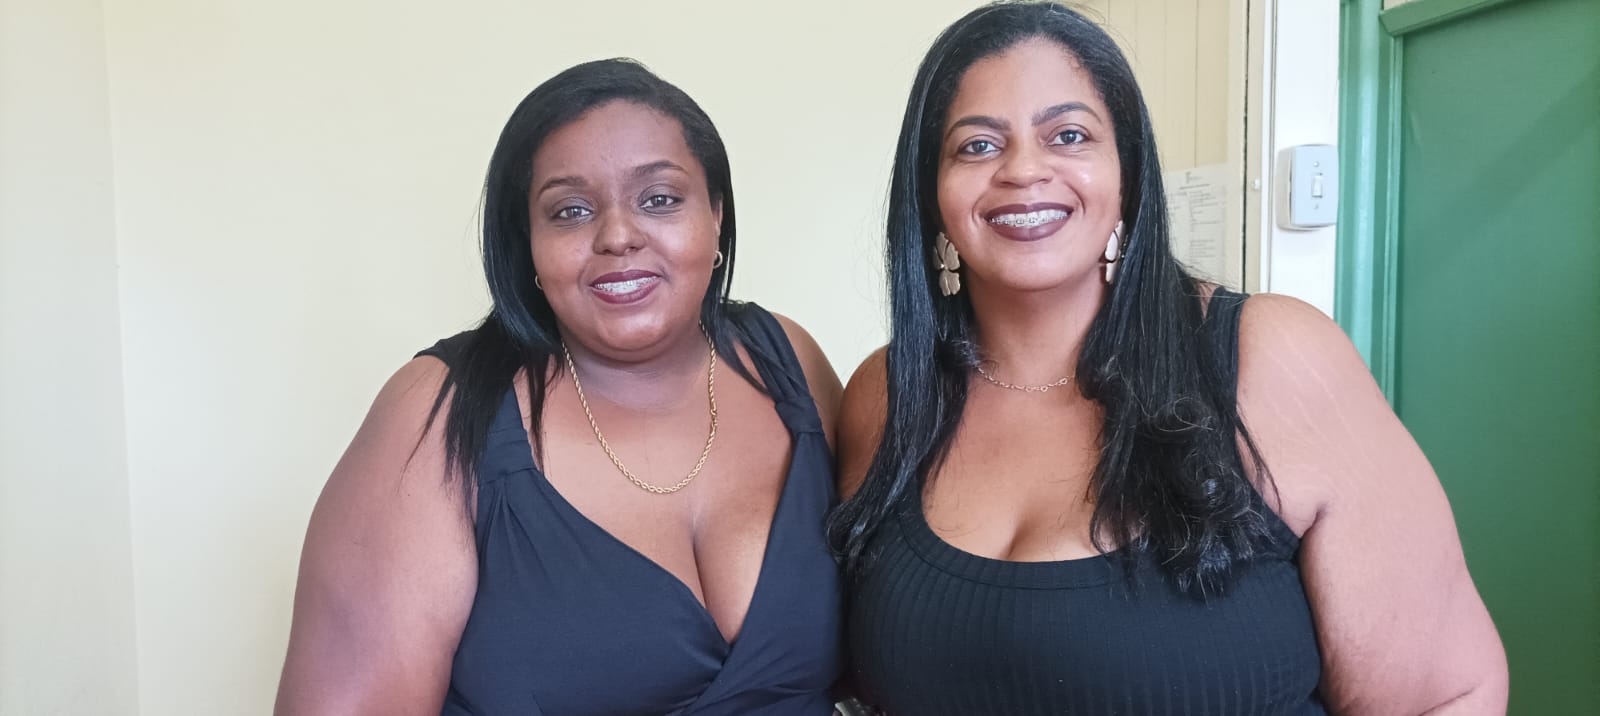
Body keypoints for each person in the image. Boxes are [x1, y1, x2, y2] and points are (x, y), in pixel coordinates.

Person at [829, 3, 1508, 714]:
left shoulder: (1269, 357)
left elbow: (1452, 694)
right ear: (932, 193)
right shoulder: (887, 392)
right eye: (976, 146)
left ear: (1127, 174)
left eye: (1069, 135)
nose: (1024, 169)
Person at [276, 59, 844, 715]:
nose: (618, 237)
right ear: (529, 245)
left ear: (716, 214)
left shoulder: (788, 364)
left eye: (660, 199)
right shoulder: (437, 414)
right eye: (570, 211)